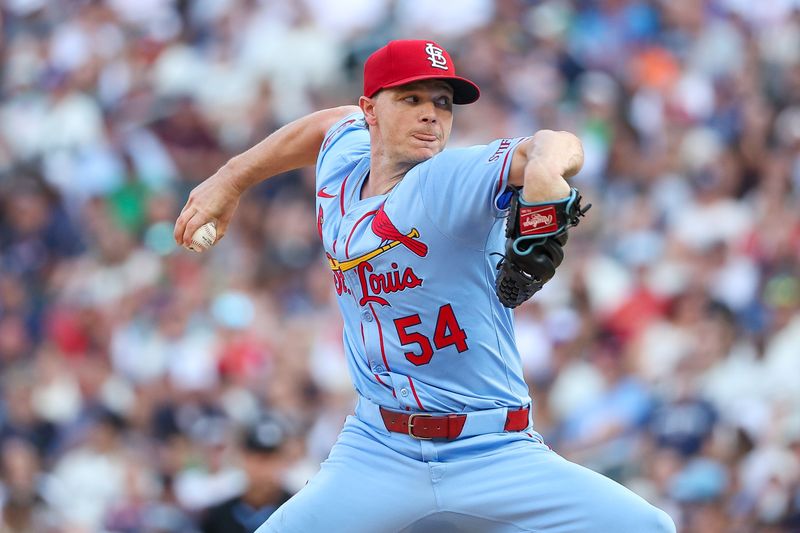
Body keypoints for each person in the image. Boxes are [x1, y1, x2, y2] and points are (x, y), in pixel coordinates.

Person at [174, 39, 675, 533]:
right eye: (410, 99)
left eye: (441, 102)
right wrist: (231, 178)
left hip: (491, 451)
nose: (431, 114)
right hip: (378, 448)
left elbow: (558, 145)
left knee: (648, 526)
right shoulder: (342, 163)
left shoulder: (448, 180)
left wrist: (545, 169)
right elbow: (326, 125)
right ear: (370, 110)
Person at [200, 416, 293, 533]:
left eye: (270, 459)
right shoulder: (218, 517)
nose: (263, 468)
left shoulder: (296, 511)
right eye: (256, 458)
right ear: (242, 458)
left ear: (283, 461)